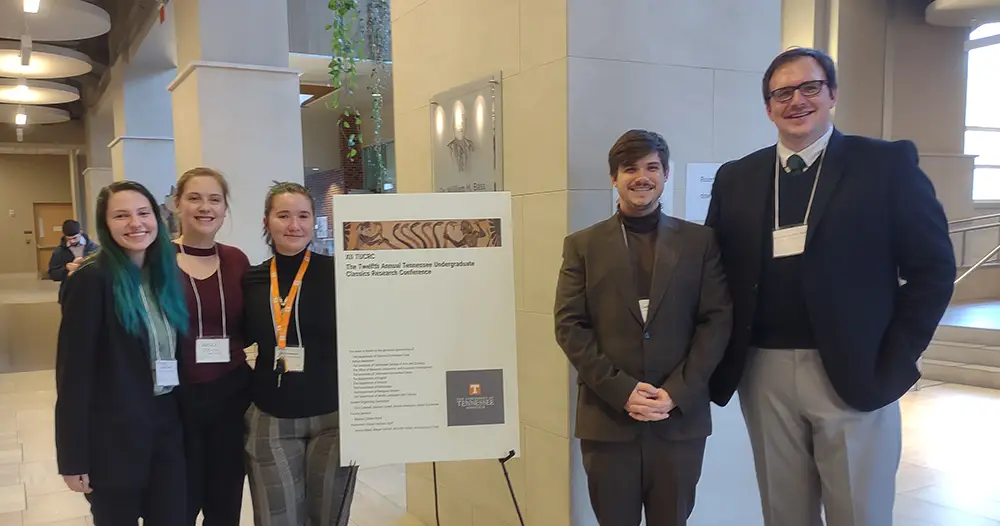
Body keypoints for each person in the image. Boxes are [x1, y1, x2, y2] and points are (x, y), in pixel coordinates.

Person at [705, 47, 956, 526]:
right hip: (763, 373)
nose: (796, 100)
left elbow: (933, 269)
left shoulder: (884, 165)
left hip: (855, 367)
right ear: (767, 107)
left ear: (832, 94)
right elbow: (715, 274)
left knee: (858, 514)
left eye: (809, 87)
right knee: (784, 515)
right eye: (782, 92)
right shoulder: (736, 177)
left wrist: (896, 355)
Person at [554, 130, 733, 526]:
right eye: (629, 168)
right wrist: (621, 390)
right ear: (614, 178)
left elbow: (716, 320)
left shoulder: (699, 242)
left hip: (679, 421)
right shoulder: (582, 245)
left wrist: (676, 391)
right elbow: (569, 324)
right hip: (608, 421)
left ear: (666, 174)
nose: (642, 177)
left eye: (652, 167)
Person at [54, 181, 189, 525]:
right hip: (113, 438)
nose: (135, 223)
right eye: (121, 215)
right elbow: (73, 375)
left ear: (157, 218)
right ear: (105, 224)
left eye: (143, 213)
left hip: (166, 428)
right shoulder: (90, 279)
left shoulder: (164, 272)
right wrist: (73, 459)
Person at [242, 181, 357, 525]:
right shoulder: (252, 279)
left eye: (303, 215)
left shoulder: (341, 274)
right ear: (267, 222)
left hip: (334, 417)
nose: (295, 225)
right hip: (272, 415)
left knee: (329, 518)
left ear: (314, 220)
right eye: (283, 215)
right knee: (278, 517)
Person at [172, 168, 252, 526]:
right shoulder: (155, 260)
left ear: (224, 209)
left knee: (225, 504)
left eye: (214, 199)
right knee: (177, 503)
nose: (205, 207)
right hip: (173, 400)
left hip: (230, 397)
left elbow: (251, 324)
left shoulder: (237, 260)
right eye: (194, 198)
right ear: (177, 205)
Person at [48, 219, 99, 303]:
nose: (72, 241)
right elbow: (52, 273)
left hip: (92, 293)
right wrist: (66, 269)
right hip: (69, 294)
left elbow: (104, 270)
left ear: (81, 233)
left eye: (75, 238)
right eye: (69, 239)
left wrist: (84, 266)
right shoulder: (59, 251)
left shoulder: (94, 249)